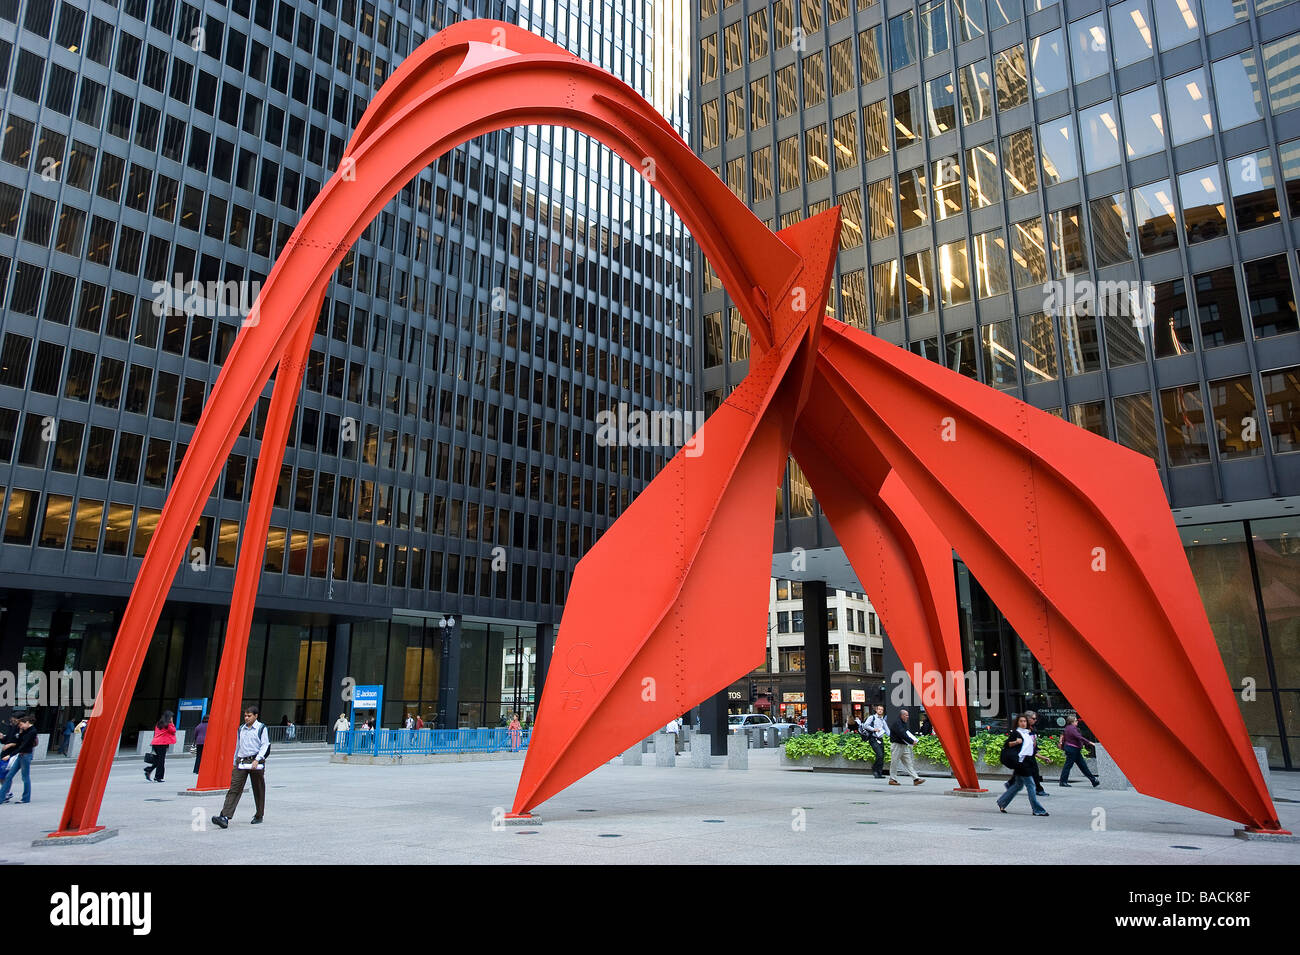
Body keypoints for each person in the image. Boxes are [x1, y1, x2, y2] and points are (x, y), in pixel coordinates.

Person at [211, 705, 270, 829]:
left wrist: (257, 759)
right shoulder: (241, 729)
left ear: (256, 716)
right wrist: (234, 762)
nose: (246, 718)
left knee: (258, 789)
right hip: (241, 761)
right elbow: (238, 745)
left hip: (255, 762)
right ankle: (225, 816)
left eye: (249, 716)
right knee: (234, 788)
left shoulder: (261, 728)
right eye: (245, 716)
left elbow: (265, 745)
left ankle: (259, 815)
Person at [996, 714, 1050, 816]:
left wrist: (1043, 758)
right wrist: (1016, 742)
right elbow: (1007, 744)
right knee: (1031, 785)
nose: (1023, 723)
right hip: (1021, 763)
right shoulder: (1016, 733)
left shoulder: (1028, 733)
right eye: (1021, 721)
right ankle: (1037, 810)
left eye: (1025, 721)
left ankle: (1002, 802)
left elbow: (1031, 750)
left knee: (1018, 785)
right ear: (1017, 722)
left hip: (1028, 762)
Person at [0, 713, 37, 804]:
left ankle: (25, 798)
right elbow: (19, 741)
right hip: (20, 755)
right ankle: (1, 798)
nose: (20, 726)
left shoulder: (32, 731)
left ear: (27, 722)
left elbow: (22, 746)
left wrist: (10, 755)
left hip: (26, 756)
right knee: (8, 776)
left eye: (21, 725)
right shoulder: (23, 730)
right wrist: (20, 733)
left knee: (25, 777)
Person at [1059, 715, 1100, 787]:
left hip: (1073, 749)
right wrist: (1090, 742)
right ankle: (1063, 782)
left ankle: (1093, 780)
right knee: (1070, 766)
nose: (1077, 722)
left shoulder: (1067, 728)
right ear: (1072, 722)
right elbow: (1079, 737)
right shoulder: (1072, 728)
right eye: (1076, 721)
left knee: (1082, 766)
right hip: (1073, 749)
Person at [888, 708, 924, 786]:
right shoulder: (897, 723)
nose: (907, 717)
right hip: (897, 745)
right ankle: (892, 779)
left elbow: (906, 733)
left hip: (903, 745)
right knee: (894, 762)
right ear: (902, 715)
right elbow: (902, 734)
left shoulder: (902, 723)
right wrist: (911, 741)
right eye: (906, 715)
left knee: (908, 762)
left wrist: (911, 740)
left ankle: (916, 779)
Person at [1023, 710, 1050, 797]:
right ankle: (1038, 789)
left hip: (1030, 755)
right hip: (1025, 756)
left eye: (1036, 719)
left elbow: (1033, 745)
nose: (1035, 720)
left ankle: (1037, 789)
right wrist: (1042, 757)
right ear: (1028, 719)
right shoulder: (1024, 731)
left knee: (1031, 773)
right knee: (1034, 773)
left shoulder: (1032, 729)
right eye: (1033, 719)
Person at [144, 711, 176, 783]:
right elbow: (173, 731)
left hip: (155, 742)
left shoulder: (159, 723)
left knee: (158, 759)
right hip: (162, 743)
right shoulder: (168, 724)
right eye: (171, 717)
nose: (172, 718)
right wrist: (172, 723)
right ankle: (158, 777)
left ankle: (149, 770)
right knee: (161, 760)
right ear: (169, 717)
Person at [861, 704, 889, 778]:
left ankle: (879, 773)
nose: (880, 710)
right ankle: (874, 769)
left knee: (881, 756)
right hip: (873, 738)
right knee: (879, 754)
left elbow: (887, 731)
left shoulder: (883, 720)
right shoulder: (872, 717)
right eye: (879, 709)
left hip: (880, 739)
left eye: (882, 709)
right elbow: (865, 725)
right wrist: (873, 729)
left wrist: (893, 737)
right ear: (876, 710)